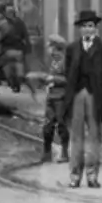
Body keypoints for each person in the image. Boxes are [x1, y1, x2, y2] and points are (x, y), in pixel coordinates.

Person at [62, 9, 102, 189]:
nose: (88, 29)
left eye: (91, 26)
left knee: (94, 136)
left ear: (96, 28)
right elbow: (68, 72)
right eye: (84, 26)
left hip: (95, 96)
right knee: (76, 137)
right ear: (79, 29)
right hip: (77, 95)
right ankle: (75, 176)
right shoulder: (72, 48)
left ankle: (92, 176)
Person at [39, 35, 69, 163]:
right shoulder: (54, 61)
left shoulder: (64, 61)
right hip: (51, 96)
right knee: (47, 126)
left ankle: (64, 153)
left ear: (55, 47)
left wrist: (53, 79)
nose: (48, 49)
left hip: (61, 97)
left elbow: (69, 80)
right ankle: (47, 153)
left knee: (62, 125)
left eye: (49, 46)